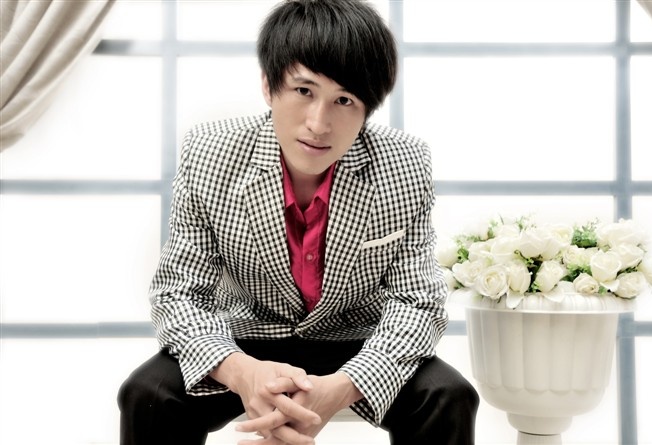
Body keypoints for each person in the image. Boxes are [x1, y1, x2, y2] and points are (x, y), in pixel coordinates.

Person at [117, 1, 479, 444]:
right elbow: (178, 292)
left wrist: (344, 386)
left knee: (449, 396)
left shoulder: (402, 161)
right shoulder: (211, 151)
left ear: (367, 109)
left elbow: (418, 302)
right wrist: (243, 373)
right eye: (304, 91)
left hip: (355, 340)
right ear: (269, 86)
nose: (318, 123)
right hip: (246, 337)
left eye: (344, 100)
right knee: (148, 394)